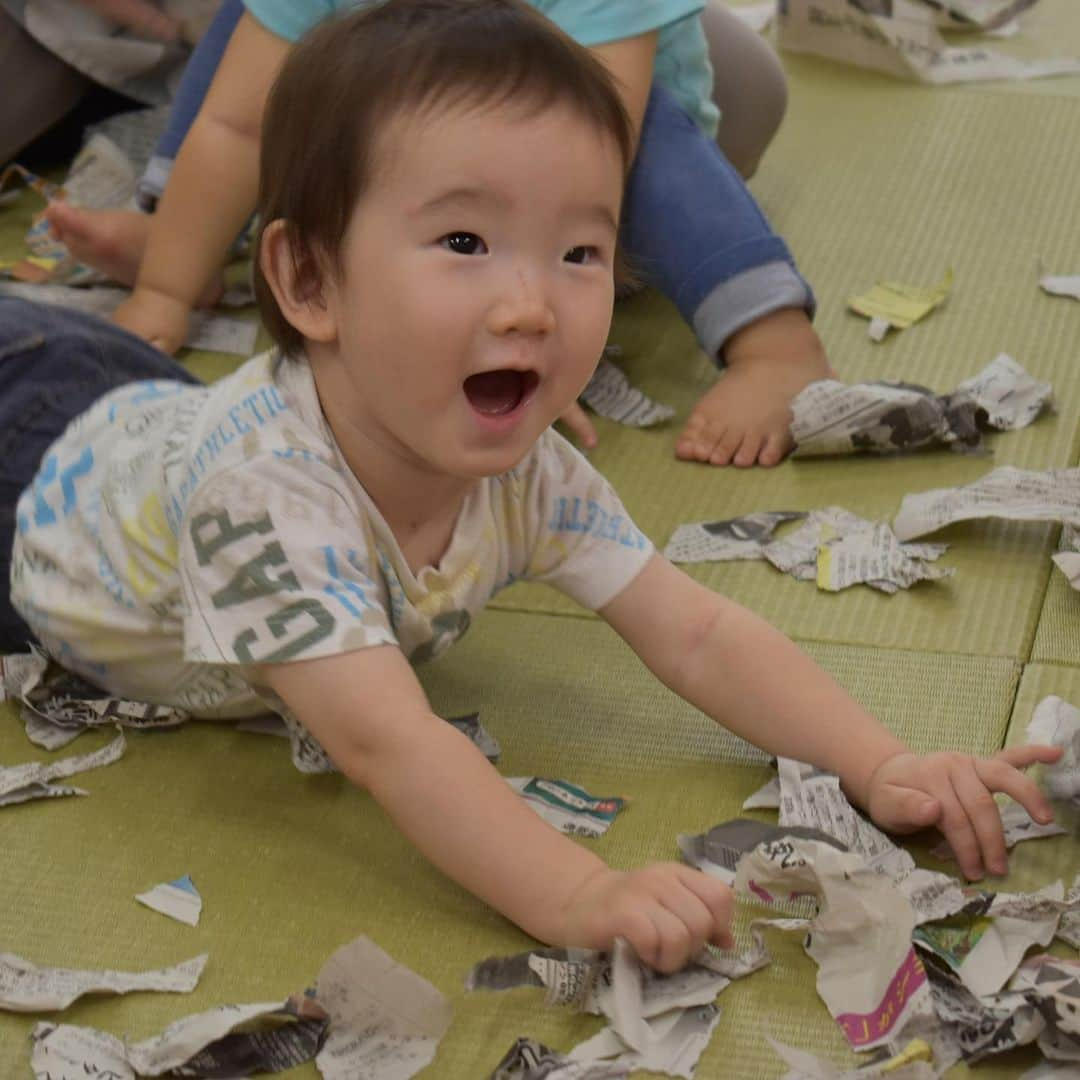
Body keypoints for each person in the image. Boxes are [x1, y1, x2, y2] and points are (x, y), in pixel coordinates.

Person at [3, 0, 1058, 973]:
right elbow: (391, 741)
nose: (532, 304)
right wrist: (580, 892)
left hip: (139, 422)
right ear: (311, 283)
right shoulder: (265, 500)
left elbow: (694, 632)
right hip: (30, 486)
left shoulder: (525, 465)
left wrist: (880, 764)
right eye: (465, 242)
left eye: (579, 250)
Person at [43, 0, 829, 469]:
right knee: (251, 42)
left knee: (618, 130)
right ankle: (180, 231)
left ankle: (774, 343)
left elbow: (587, 163)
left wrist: (534, 331)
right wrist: (166, 292)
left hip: (601, 172)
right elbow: (236, 122)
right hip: (410, 150)